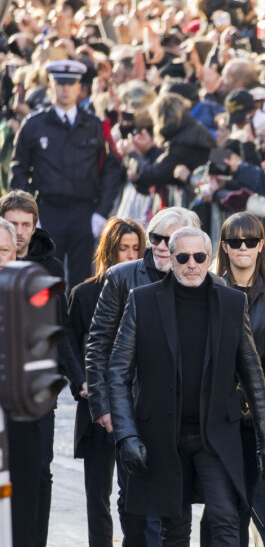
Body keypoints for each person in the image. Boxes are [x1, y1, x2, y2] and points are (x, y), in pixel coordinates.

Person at [107, 226, 265, 545]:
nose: (192, 264)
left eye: (199, 257)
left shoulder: (231, 303)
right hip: (161, 435)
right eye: (183, 257)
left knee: (226, 519)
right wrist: (127, 435)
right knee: (173, 528)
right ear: (171, 259)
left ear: (209, 258)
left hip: (215, 434)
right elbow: (118, 372)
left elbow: (253, 374)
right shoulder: (142, 301)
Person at [85, 206, 200, 546]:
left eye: (172, 239)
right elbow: (98, 343)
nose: (164, 246)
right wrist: (103, 406)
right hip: (132, 408)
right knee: (134, 506)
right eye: (157, 238)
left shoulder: (197, 276)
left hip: (181, 412)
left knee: (175, 506)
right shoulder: (122, 276)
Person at [0, 189, 85, 547]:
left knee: (39, 470)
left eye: (26, 225)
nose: (19, 232)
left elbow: (59, 328)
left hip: (36, 385)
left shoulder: (48, 268)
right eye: (13, 224)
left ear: (35, 227)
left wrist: (76, 379)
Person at [68, 217, 145, 547]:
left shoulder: (149, 293)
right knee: (97, 496)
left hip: (136, 405)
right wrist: (81, 382)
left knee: (133, 495)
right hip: (96, 404)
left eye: (135, 248)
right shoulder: (85, 293)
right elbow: (69, 342)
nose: (129, 255)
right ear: (109, 251)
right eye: (122, 248)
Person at [10, 59, 121, 288]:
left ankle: (78, 325)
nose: (65, 89)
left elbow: (111, 169)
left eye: (71, 84)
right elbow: (19, 170)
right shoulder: (34, 125)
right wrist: (32, 214)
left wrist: (101, 212)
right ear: (51, 86)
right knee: (46, 279)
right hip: (48, 210)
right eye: (60, 84)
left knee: (84, 282)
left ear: (79, 87)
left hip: (85, 212)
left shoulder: (94, 125)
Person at [214, 212, 265, 547]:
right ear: (223, 247)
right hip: (220, 413)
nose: (243, 247)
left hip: (259, 415)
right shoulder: (211, 291)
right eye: (235, 241)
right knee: (221, 504)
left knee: (258, 497)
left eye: (250, 241)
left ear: (261, 245)